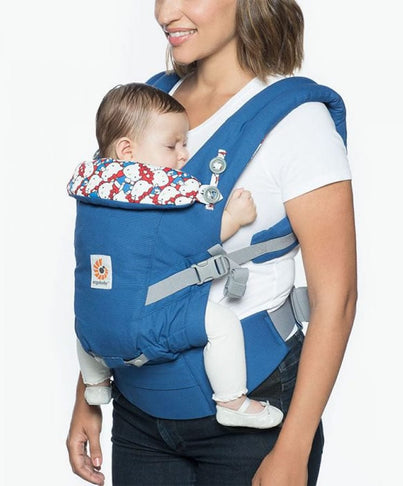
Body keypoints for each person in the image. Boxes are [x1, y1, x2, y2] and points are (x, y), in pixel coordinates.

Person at [67, 1, 357, 485]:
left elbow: (338, 299)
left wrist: (294, 447)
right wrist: (87, 396)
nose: (167, 12)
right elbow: (120, 262)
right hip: (139, 410)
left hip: (254, 405)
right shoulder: (149, 104)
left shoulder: (297, 122)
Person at [77, 82, 284, 429]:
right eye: (172, 145)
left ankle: (96, 384)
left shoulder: (90, 190)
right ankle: (232, 401)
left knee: (89, 310)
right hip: (147, 323)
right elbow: (191, 238)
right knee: (222, 325)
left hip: (93, 330)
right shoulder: (153, 195)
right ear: (127, 150)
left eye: (185, 143)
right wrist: (234, 218)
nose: (184, 155)